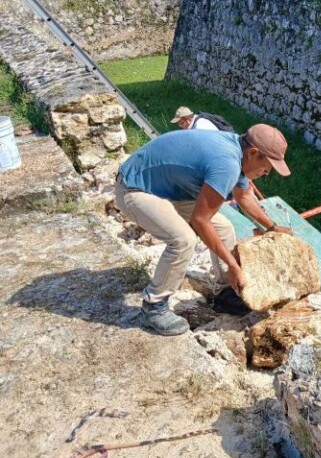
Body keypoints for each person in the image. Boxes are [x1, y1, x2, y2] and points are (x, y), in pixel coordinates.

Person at [114, 124, 292, 336]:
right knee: (183, 239)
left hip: (169, 187)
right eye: (268, 166)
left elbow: (243, 196)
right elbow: (200, 221)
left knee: (224, 228)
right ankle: (154, 307)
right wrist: (233, 264)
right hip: (134, 188)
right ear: (254, 153)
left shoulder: (239, 151)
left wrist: (271, 227)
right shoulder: (227, 163)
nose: (267, 172)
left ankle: (227, 291)